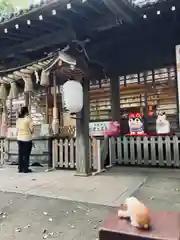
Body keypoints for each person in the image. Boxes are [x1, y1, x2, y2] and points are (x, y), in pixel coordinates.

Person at [16, 106, 34, 173]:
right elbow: (32, 130)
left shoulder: (18, 120)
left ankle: (20, 168)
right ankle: (25, 169)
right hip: (27, 139)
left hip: (19, 139)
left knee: (20, 154)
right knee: (26, 154)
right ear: (27, 112)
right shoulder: (28, 119)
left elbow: (17, 130)